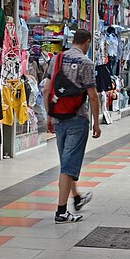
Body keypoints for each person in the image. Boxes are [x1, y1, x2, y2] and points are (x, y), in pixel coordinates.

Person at [43, 28, 101, 223]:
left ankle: (76, 197)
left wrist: (49, 116)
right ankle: (61, 212)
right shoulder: (86, 62)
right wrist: (96, 123)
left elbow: (46, 90)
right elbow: (92, 96)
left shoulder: (56, 59)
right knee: (68, 166)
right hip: (77, 118)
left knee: (66, 162)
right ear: (87, 42)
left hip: (58, 117)